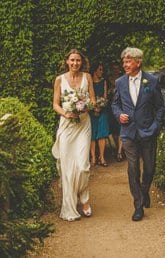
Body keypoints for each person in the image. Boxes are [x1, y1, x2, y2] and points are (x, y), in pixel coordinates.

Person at [112, 47, 165, 221]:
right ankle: (138, 205)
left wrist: (155, 126)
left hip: (148, 131)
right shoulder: (119, 82)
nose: (125, 65)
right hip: (128, 133)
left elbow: (160, 106)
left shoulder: (152, 81)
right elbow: (115, 104)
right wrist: (119, 114)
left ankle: (144, 191)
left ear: (138, 62)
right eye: (124, 62)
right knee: (133, 169)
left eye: (128, 61)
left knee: (149, 169)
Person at [51, 49, 96, 221]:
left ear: (81, 62)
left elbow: (93, 100)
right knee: (68, 167)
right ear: (67, 62)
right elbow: (55, 104)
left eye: (78, 60)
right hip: (67, 125)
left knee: (83, 166)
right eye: (72, 60)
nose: (75, 63)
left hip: (83, 124)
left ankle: (84, 199)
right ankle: (71, 203)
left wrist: (86, 106)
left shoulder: (88, 77)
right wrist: (65, 113)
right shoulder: (59, 80)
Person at [89, 63, 111, 167]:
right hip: (90, 111)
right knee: (92, 134)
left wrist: (101, 105)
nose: (102, 72)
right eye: (100, 69)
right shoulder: (89, 82)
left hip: (102, 110)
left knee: (102, 133)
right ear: (95, 71)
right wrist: (93, 107)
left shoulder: (103, 82)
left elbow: (105, 97)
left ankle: (101, 157)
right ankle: (93, 157)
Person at [108, 62, 124, 162]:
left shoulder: (123, 79)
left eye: (117, 68)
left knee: (121, 129)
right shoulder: (108, 79)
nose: (115, 70)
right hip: (110, 106)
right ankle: (118, 148)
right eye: (113, 68)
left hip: (121, 106)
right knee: (114, 130)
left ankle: (119, 152)